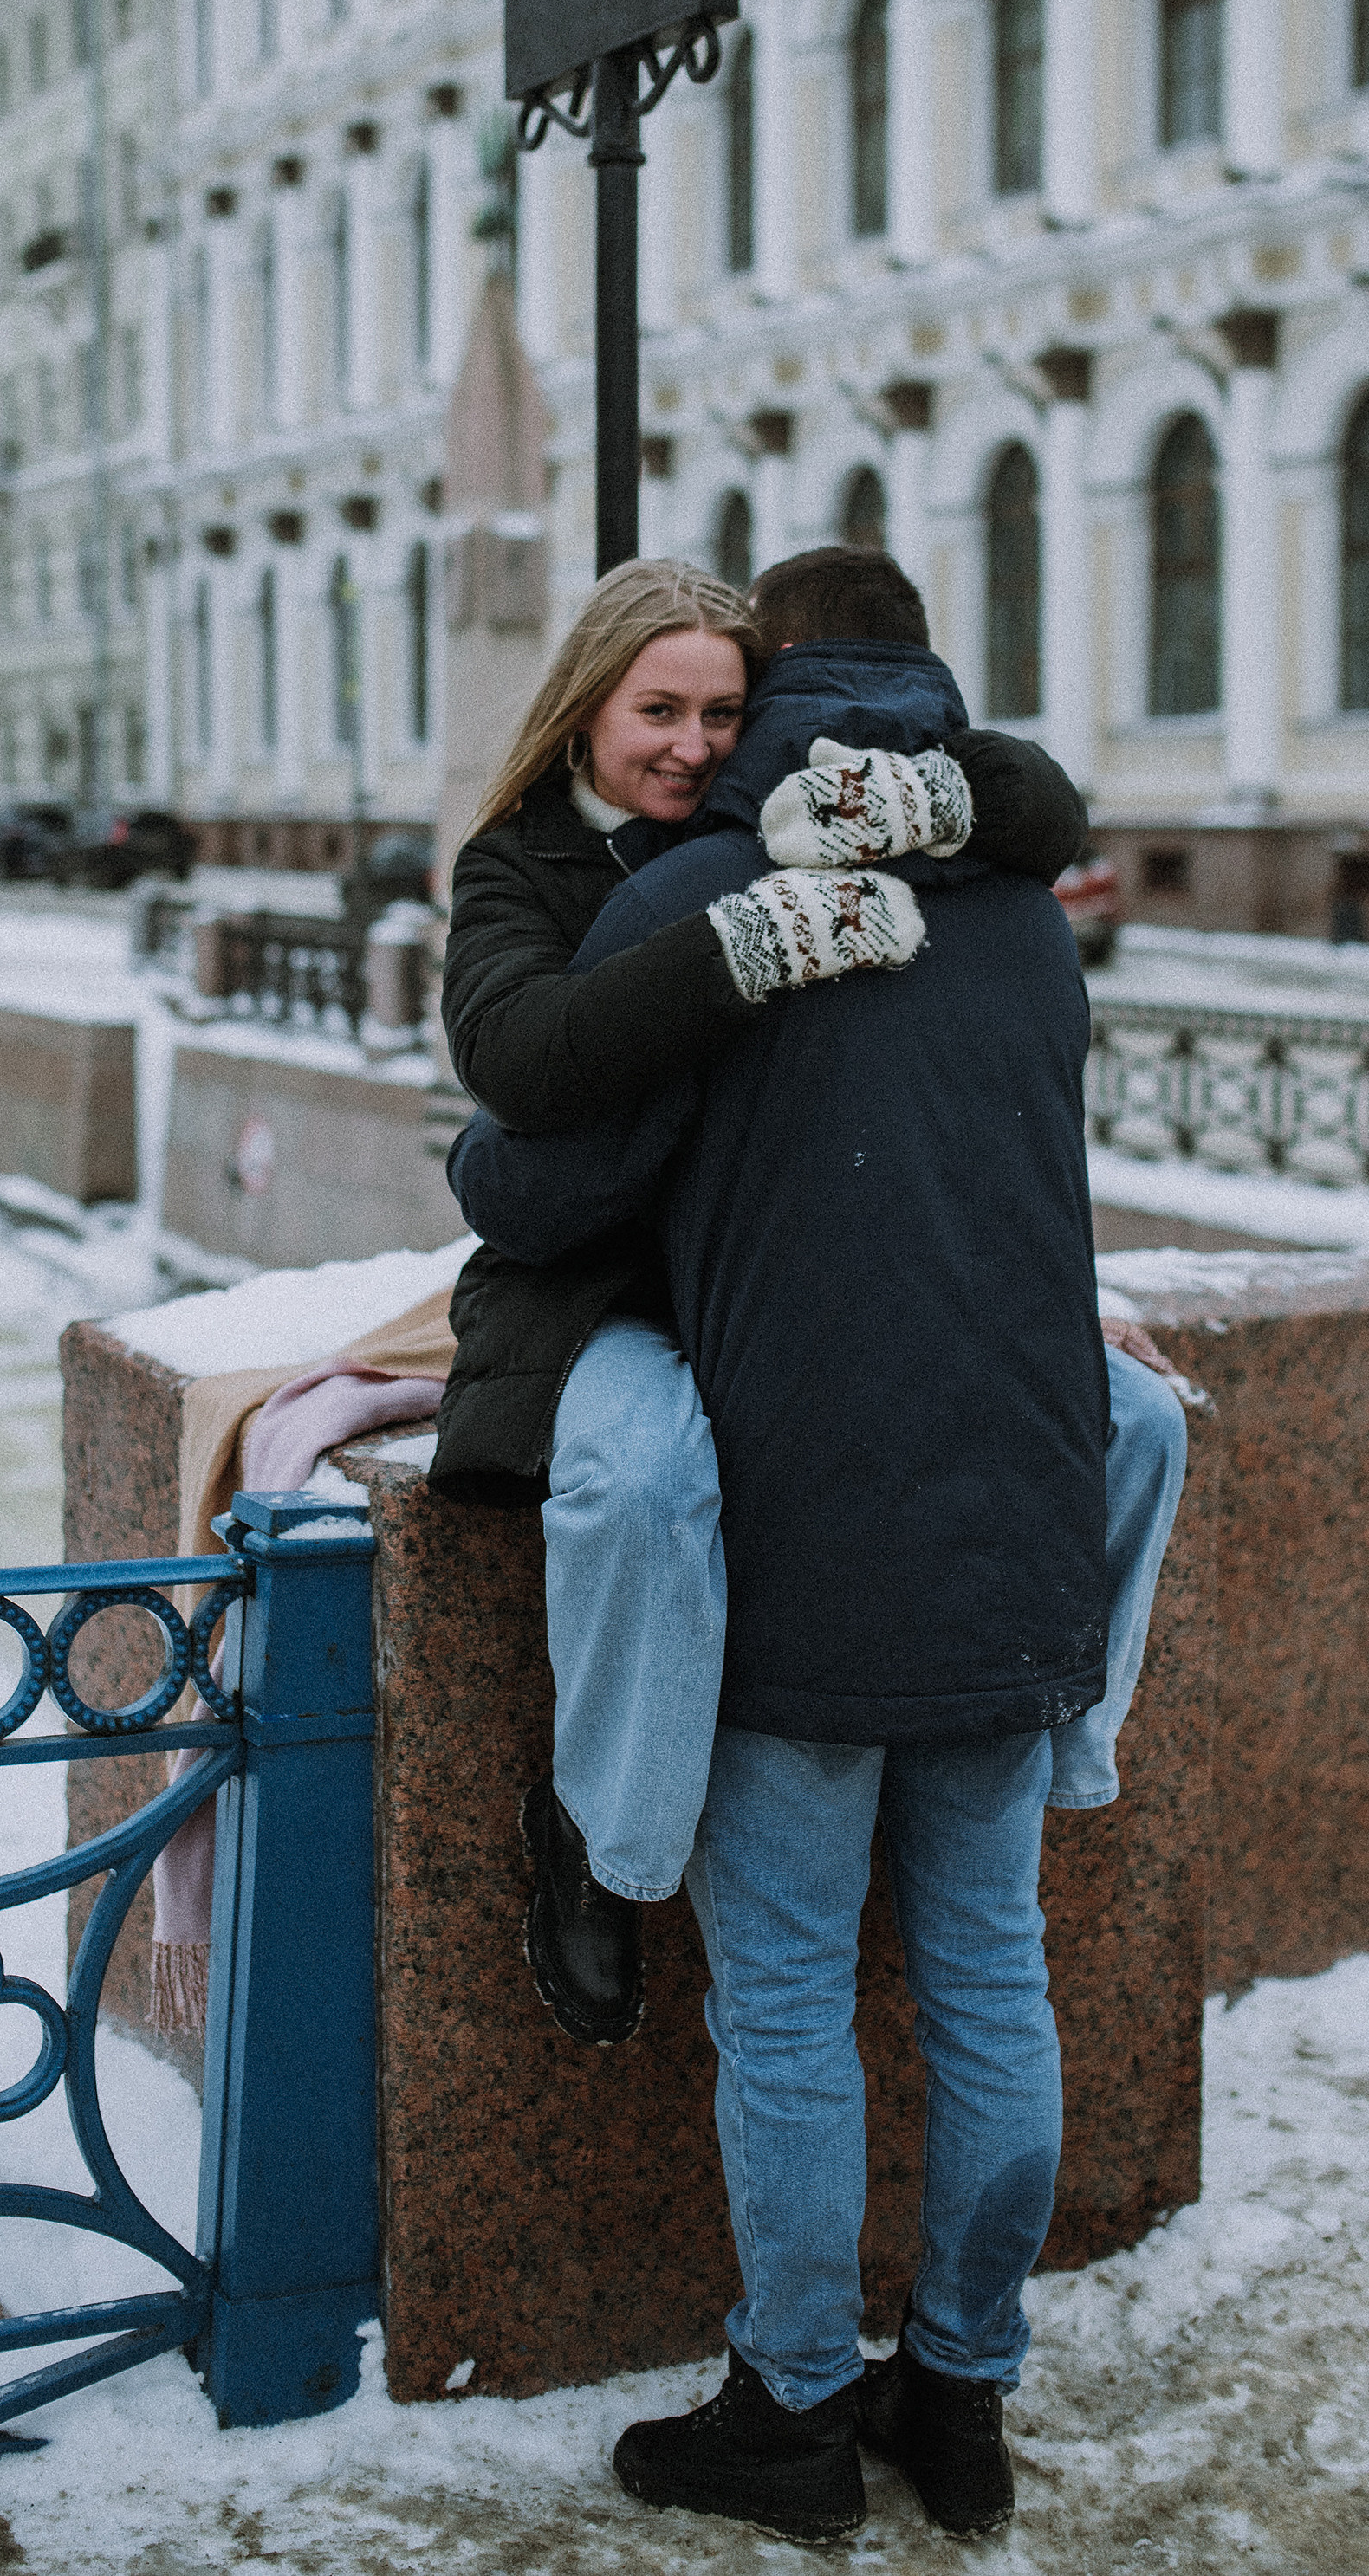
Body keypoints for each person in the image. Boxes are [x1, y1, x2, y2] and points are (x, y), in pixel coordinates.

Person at [448, 547, 1184, 2547]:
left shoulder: (710, 896)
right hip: (1017, 1520)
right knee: (988, 1974)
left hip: (813, 1533)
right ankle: (959, 2394)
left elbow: (540, 1172)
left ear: (769, 682)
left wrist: (484, 1166)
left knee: (781, 2002)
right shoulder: (1032, 915)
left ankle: (789, 2414)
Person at [431, 560, 1101, 2045]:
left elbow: (1043, 807)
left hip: (779, 1268)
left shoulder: (792, 816)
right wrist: (754, 938)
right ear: (582, 713)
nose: (691, 745)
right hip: (603, 1291)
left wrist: (947, 803)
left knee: (1133, 1421)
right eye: (655, 711)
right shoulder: (523, 864)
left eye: (724, 713)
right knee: (644, 1479)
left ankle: (1073, 1729)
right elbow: (525, 1066)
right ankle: (604, 1841)